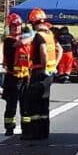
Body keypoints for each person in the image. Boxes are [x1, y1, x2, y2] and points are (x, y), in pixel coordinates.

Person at [23, 8, 60, 140]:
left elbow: (43, 52)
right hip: (49, 74)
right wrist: (54, 65)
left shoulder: (39, 35)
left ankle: (34, 132)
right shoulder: (49, 33)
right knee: (44, 104)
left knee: (34, 103)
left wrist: (44, 68)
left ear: (33, 22)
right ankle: (44, 132)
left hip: (39, 72)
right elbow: (58, 49)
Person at [1, 13, 26, 135]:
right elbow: (19, 44)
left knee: (25, 104)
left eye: (18, 25)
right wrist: (31, 34)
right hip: (12, 77)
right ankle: (9, 127)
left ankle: (26, 128)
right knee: (11, 104)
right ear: (9, 27)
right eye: (13, 26)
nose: (16, 28)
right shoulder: (9, 40)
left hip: (24, 76)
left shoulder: (23, 39)